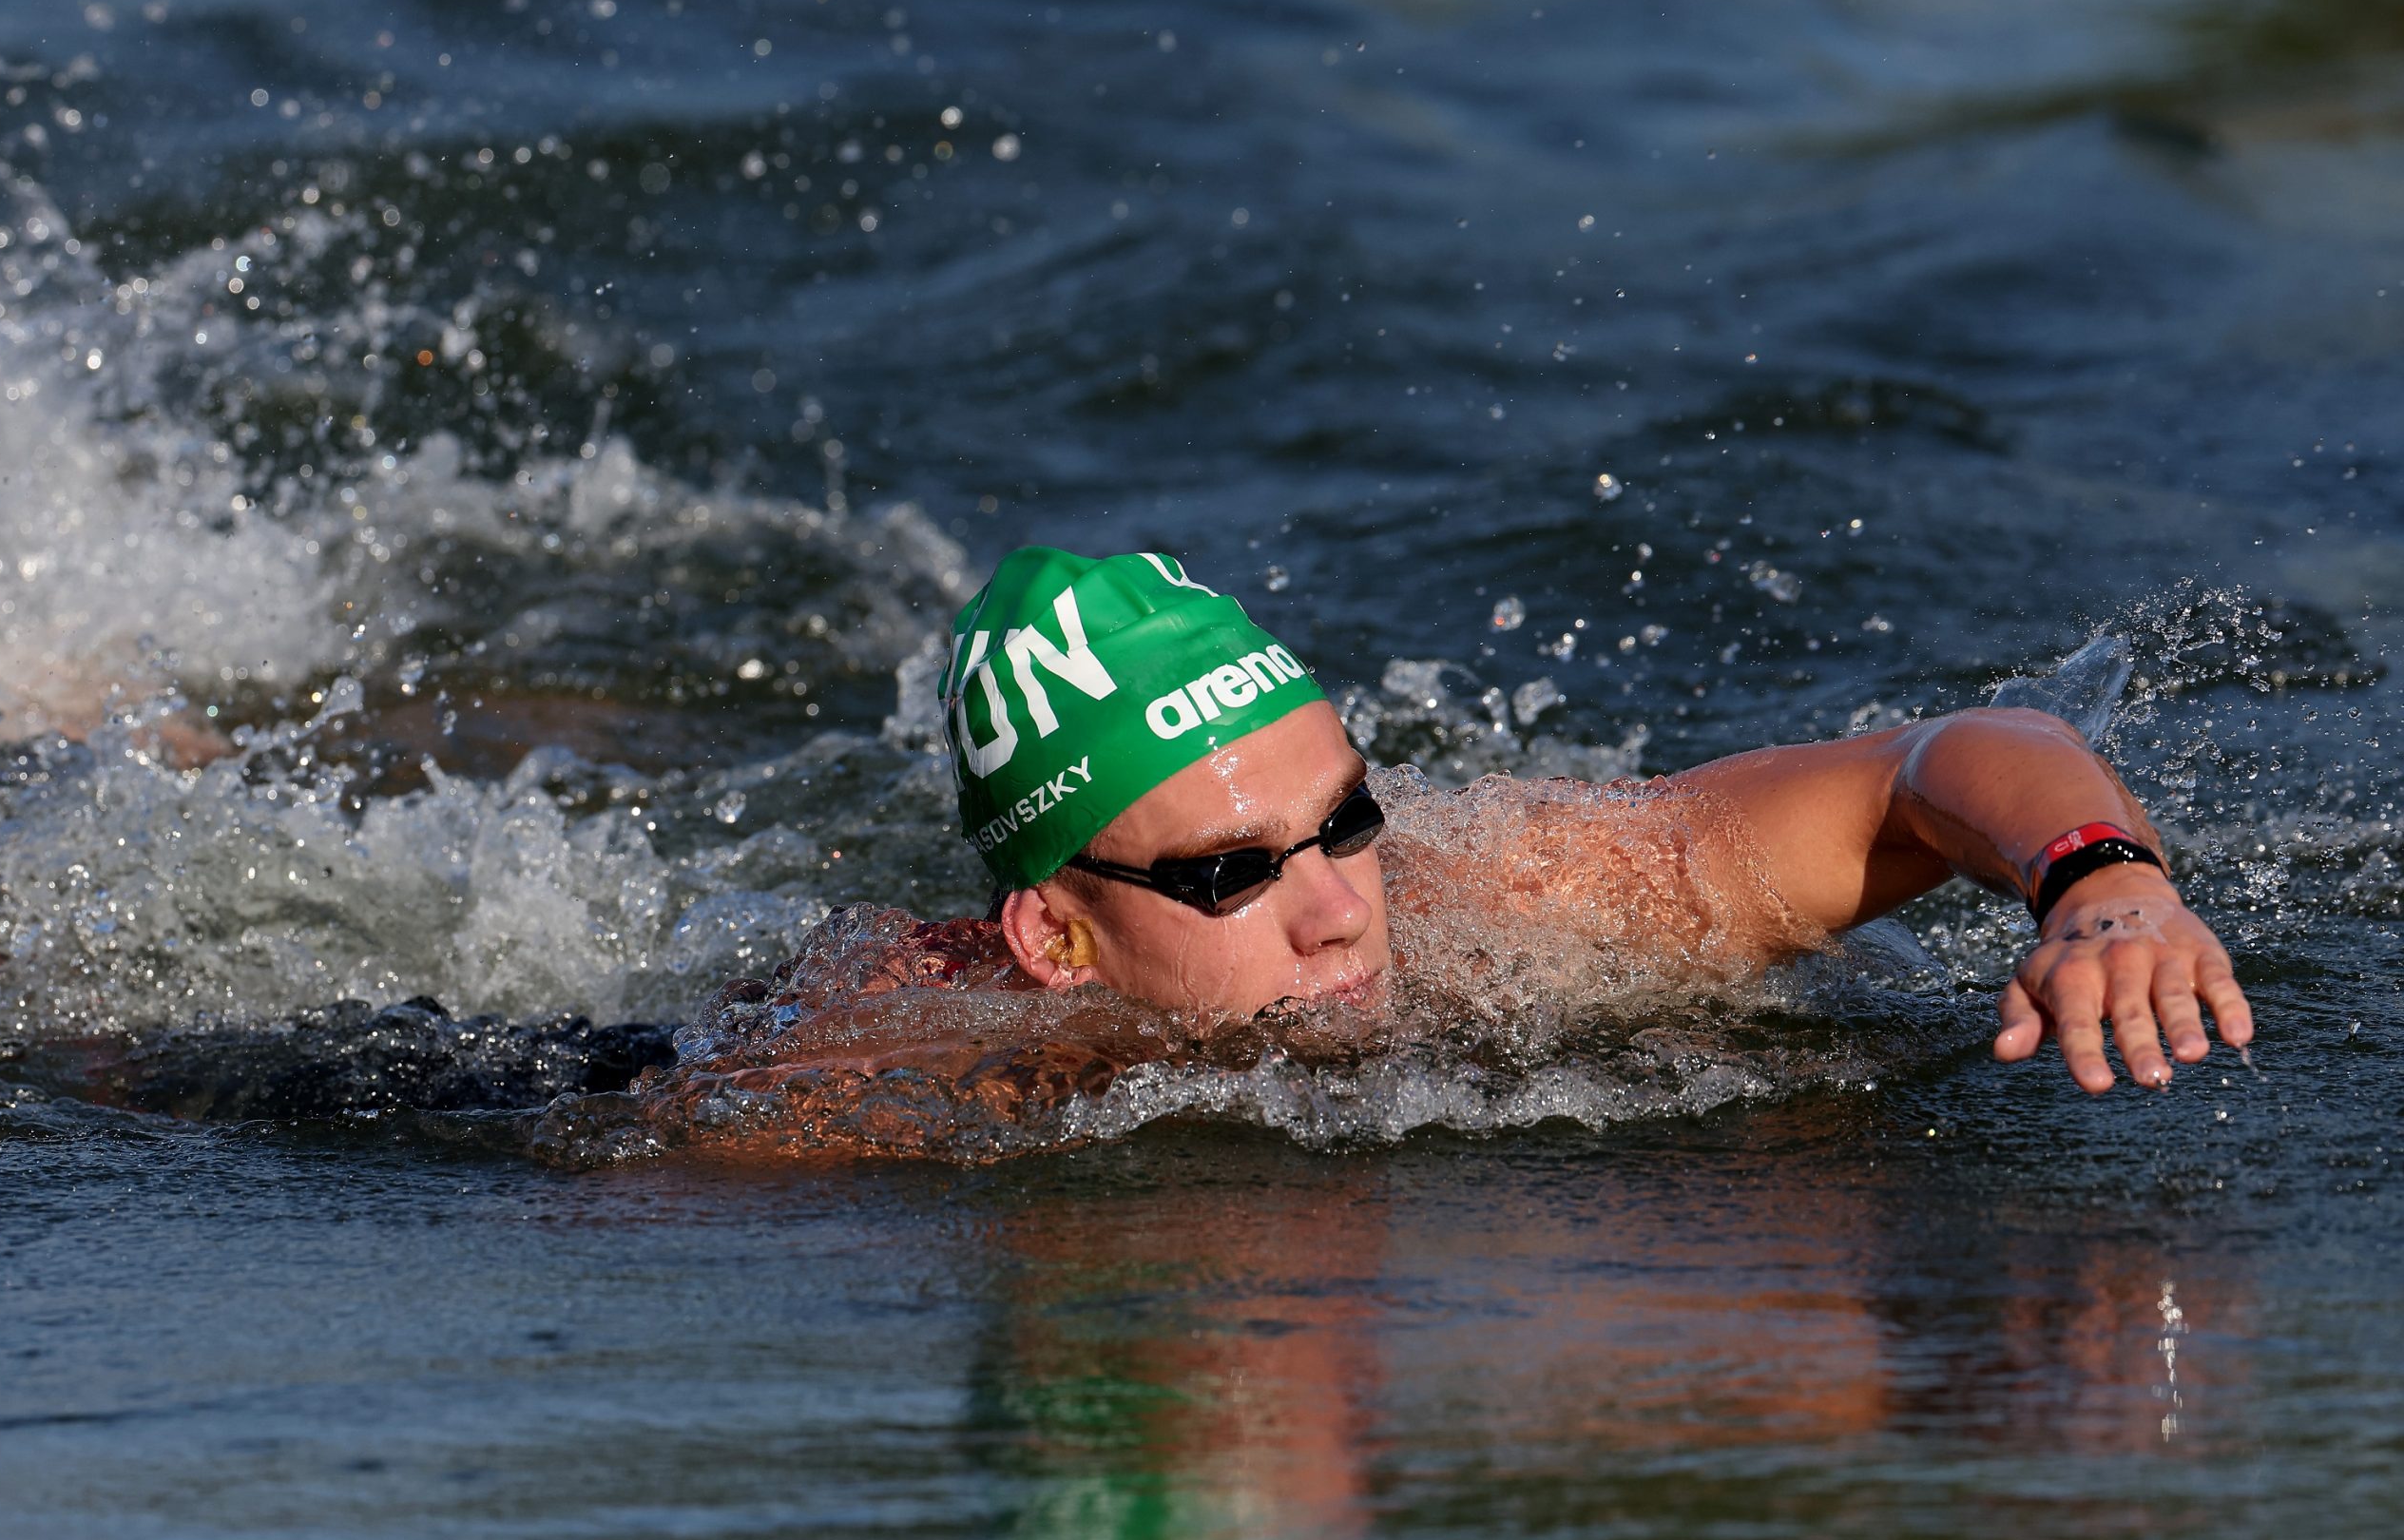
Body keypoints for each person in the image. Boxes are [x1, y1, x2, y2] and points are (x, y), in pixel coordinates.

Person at [939, 546, 2251, 1095]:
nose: (1342, 915)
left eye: (1348, 823)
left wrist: (2105, 891)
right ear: (1056, 943)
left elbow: (1946, 757)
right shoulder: (897, 1069)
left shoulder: (1522, 906)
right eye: (1231, 872)